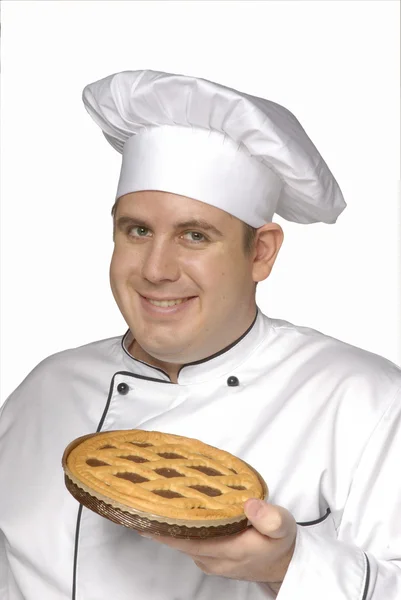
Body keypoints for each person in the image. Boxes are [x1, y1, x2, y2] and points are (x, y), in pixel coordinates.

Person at [0, 70, 400, 600]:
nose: (157, 270)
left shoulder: (361, 398)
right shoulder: (47, 388)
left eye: (194, 235)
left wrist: (287, 565)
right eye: (137, 230)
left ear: (261, 252)